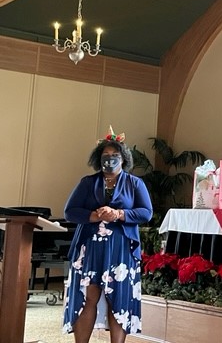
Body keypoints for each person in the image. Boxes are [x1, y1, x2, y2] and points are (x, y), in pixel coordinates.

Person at [63, 127, 153, 343]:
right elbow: (70, 211)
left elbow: (146, 212)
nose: (110, 159)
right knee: (87, 298)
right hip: (89, 248)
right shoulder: (87, 182)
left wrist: (119, 214)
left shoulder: (135, 183)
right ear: (98, 158)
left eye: (115, 155)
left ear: (123, 159)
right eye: (106, 155)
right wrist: (94, 216)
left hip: (121, 249)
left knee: (118, 300)